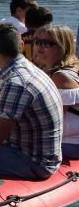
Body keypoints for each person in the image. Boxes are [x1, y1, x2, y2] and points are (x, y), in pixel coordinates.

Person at [0, 22, 62, 180]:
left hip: (32, 162)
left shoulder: (16, 84)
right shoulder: (33, 70)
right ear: (21, 45)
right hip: (39, 154)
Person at [32, 25, 79, 159]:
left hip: (71, 142)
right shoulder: (46, 69)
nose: (39, 47)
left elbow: (54, 121)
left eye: (46, 43)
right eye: (37, 42)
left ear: (62, 46)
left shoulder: (61, 76)